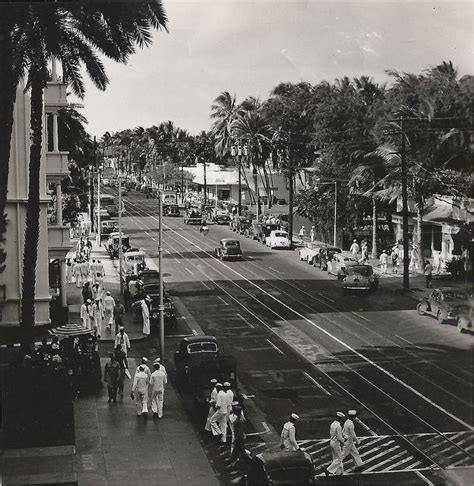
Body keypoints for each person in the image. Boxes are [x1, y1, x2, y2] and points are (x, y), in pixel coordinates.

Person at [325, 412, 345, 476]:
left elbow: (330, 433)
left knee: (335, 459)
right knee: (339, 459)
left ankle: (339, 472)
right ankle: (328, 470)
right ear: (341, 418)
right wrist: (343, 440)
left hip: (332, 441)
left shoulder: (332, 424)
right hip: (336, 443)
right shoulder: (338, 426)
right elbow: (339, 438)